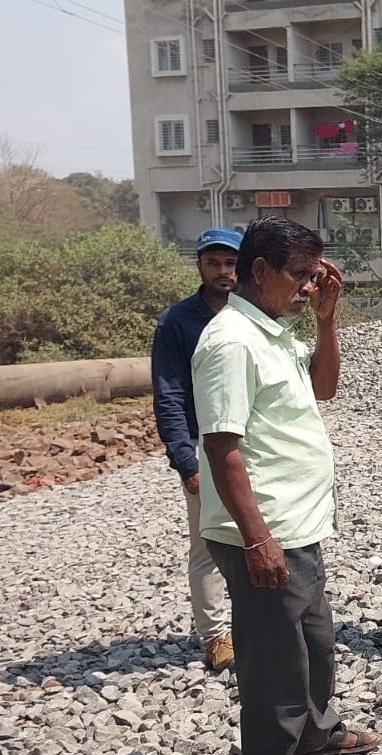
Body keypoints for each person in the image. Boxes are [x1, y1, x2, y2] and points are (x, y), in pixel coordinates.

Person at [192, 216, 381, 755]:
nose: (308, 286)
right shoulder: (230, 342)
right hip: (265, 529)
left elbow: (324, 387)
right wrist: (257, 540)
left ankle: (316, 730)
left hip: (299, 525)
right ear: (259, 270)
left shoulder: (271, 332)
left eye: (313, 275)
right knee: (273, 653)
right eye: (299, 275)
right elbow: (223, 447)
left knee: (313, 640)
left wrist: (326, 321)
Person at [152, 228, 242, 673]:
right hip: (203, 444)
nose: (223, 272)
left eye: (230, 263)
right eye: (213, 263)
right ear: (200, 267)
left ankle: (257, 626)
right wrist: (186, 462)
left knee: (261, 536)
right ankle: (216, 636)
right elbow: (168, 395)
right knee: (208, 544)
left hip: (252, 443)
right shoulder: (178, 322)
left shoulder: (255, 314)